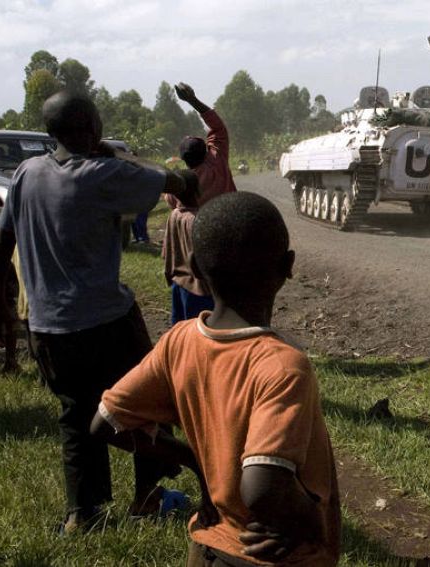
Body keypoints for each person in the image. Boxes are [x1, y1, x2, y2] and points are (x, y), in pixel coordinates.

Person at [92, 192, 341, 566]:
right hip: (274, 556)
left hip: (208, 548)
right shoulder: (283, 366)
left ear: (193, 267)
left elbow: (105, 423)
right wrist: (309, 520)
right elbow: (262, 487)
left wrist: (195, 461)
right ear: (288, 265)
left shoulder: (179, 341)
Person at [0, 90, 200, 533]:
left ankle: (81, 515)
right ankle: (148, 498)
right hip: (106, 321)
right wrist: (114, 154)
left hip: (46, 327)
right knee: (149, 403)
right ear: (93, 127)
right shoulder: (102, 174)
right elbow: (176, 183)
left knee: (77, 417)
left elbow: (2, 245)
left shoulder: (25, 174)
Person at [163, 82, 236, 325]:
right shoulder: (217, 160)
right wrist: (193, 100)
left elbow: (170, 200)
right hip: (227, 236)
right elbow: (218, 127)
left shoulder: (180, 191)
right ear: (207, 150)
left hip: (186, 280)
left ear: (184, 161)